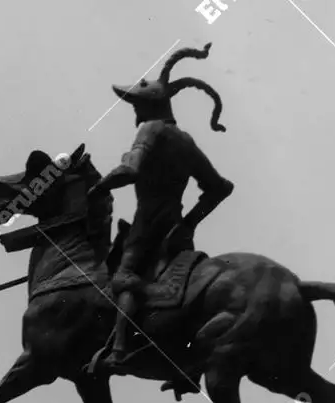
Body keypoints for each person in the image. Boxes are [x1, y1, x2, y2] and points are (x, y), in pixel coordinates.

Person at [86, 44, 231, 378]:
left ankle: (120, 351)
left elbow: (130, 171)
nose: (134, 111)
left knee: (123, 278)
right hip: (175, 229)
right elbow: (220, 187)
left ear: (148, 106)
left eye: (136, 104)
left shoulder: (150, 130)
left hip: (147, 226)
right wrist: (189, 224)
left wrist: (97, 189)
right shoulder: (185, 140)